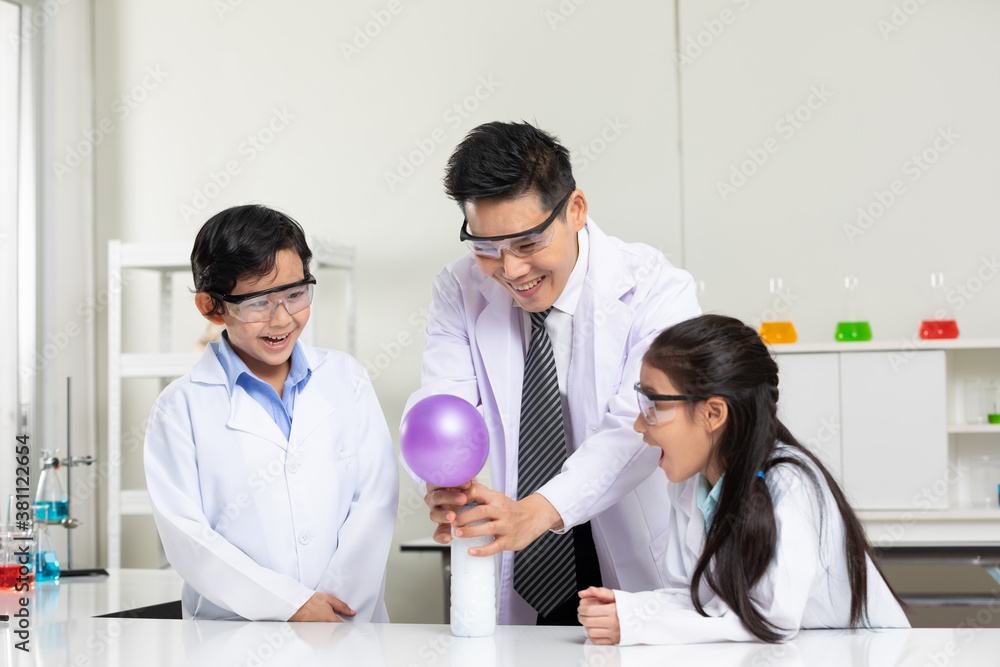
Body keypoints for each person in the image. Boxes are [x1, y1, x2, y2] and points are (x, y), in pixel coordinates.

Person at [404, 121, 701, 625]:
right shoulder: (459, 289)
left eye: (527, 244)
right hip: (518, 553)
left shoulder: (656, 289)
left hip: (629, 550)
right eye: (486, 248)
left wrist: (542, 509)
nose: (511, 271)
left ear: (576, 210)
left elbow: (640, 424)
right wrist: (444, 482)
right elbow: (444, 407)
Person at [577, 314, 910, 644]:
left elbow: (771, 620)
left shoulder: (790, 484)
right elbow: (700, 601)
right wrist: (632, 608)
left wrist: (640, 625)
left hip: (868, 654)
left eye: (654, 405)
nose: (639, 424)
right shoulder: (690, 486)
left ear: (713, 414)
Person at [144, 204, 398, 621]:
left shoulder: (346, 377)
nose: (282, 318)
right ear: (211, 306)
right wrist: (289, 605)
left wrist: (333, 607)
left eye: (296, 294)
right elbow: (187, 537)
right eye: (259, 302)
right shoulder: (180, 409)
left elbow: (375, 499)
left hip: (351, 628)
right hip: (234, 639)